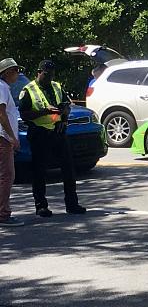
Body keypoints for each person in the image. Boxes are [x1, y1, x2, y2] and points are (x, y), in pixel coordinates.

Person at [19, 60, 86, 217]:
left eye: (52, 74)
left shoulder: (56, 85)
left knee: (68, 168)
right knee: (39, 171)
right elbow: (24, 114)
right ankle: (41, 206)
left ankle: (72, 204)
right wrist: (44, 112)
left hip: (58, 131)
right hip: (39, 133)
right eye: (47, 74)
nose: (50, 77)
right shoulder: (28, 90)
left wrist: (64, 116)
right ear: (39, 72)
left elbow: (66, 105)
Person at [0, 58, 25, 227]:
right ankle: (3, 214)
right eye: (16, 70)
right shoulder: (1, 87)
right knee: (6, 175)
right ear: (8, 72)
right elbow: (1, 114)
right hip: (3, 138)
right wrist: (12, 137)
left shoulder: (4, 88)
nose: (18, 74)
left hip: (4, 138)